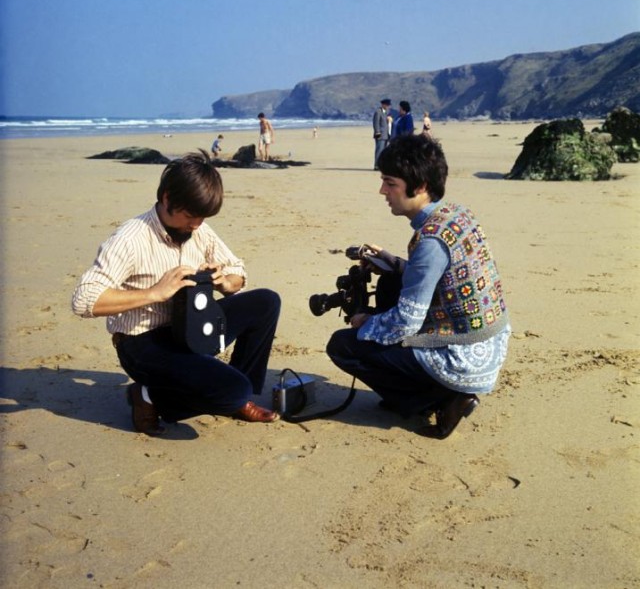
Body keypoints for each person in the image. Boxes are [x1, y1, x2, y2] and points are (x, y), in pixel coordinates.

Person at [71, 150, 281, 436]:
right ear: (167, 198)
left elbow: (238, 272)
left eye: (203, 217)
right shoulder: (131, 238)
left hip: (190, 330)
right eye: (191, 216)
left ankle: (234, 397)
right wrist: (155, 292)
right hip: (143, 344)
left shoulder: (199, 229)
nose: (196, 225)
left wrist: (224, 282)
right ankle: (147, 397)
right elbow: (84, 300)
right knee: (233, 390)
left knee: (266, 302)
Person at [326, 135, 511, 439]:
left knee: (343, 346)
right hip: (490, 338)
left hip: (464, 356)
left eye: (390, 183)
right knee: (390, 283)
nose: (382, 191)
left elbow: (405, 322)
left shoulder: (430, 241)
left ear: (421, 185)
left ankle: (437, 399)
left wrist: (366, 323)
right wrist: (390, 261)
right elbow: (438, 275)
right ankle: (430, 392)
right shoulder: (455, 214)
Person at [372, 98, 391, 169]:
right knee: (379, 150)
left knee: (383, 151)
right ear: (383, 105)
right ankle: (376, 165)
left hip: (386, 135)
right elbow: (376, 123)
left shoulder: (386, 112)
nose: (388, 106)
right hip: (380, 135)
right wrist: (378, 133)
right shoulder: (378, 112)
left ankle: (381, 164)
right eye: (387, 105)